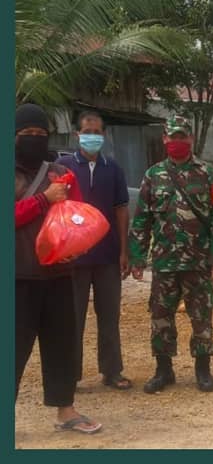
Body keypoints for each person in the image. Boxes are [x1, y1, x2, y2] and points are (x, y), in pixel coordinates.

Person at [15, 102, 102, 435]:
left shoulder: (59, 172)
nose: (35, 139)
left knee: (62, 346)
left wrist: (75, 248)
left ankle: (66, 411)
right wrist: (43, 199)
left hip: (58, 275)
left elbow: (78, 216)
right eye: (27, 134)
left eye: (41, 133)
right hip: (17, 276)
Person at [128, 115, 213, 393]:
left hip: (197, 261)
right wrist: (137, 257)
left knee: (201, 315)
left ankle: (203, 370)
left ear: (190, 139)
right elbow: (141, 220)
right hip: (164, 261)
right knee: (160, 315)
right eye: (173, 137)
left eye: (182, 136)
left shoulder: (208, 173)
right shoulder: (153, 175)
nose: (177, 141)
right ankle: (163, 370)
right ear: (165, 139)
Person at [59, 109, 132, 392]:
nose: (92, 137)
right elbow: (57, 212)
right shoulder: (63, 168)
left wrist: (124, 251)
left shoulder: (113, 168)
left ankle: (112, 371)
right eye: (87, 132)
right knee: (71, 318)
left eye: (97, 133)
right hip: (73, 258)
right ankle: (69, 375)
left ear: (104, 136)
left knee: (109, 316)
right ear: (77, 134)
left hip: (107, 257)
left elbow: (121, 209)